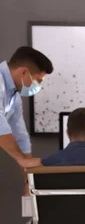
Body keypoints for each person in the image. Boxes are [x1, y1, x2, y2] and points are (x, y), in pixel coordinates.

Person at [0, 47, 53, 187]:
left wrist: (28, 179)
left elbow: (21, 136)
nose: (39, 86)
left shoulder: (14, 96)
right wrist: (21, 160)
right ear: (24, 72)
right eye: (38, 81)